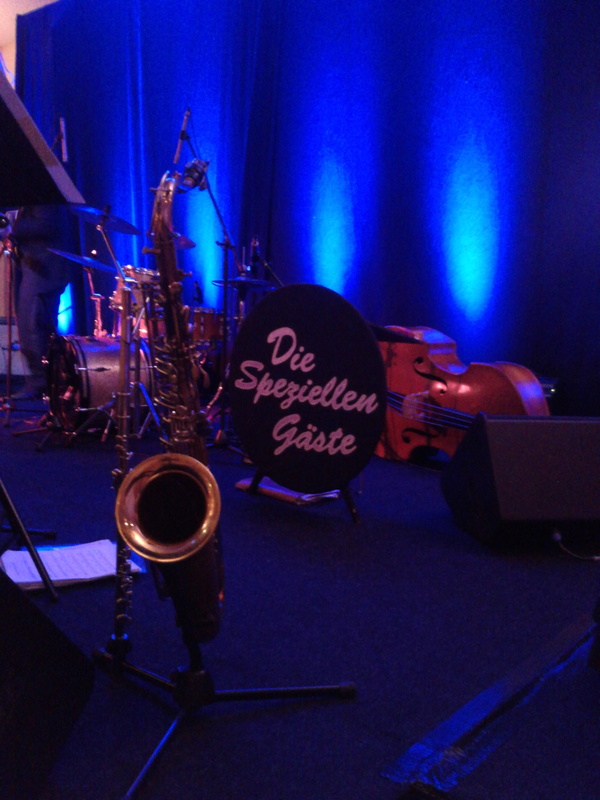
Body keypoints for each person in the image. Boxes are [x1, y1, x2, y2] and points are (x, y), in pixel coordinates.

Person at [5, 204, 76, 398]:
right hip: (30, 263)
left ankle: (43, 383)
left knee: (33, 325)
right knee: (29, 324)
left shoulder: (46, 195)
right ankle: (43, 381)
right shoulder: (31, 195)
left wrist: (12, 228)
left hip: (46, 267)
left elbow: (48, 226)